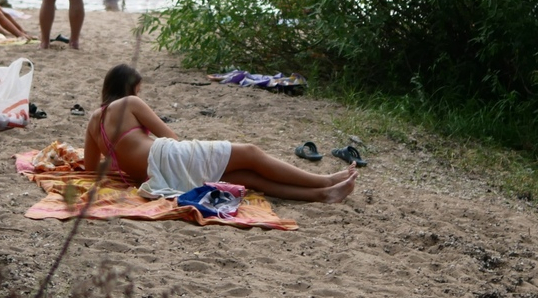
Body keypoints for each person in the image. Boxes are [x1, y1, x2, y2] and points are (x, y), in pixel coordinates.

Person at [83, 64, 357, 203]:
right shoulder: (130, 104)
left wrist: (126, 166)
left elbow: (91, 169)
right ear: (129, 89)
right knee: (251, 152)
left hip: (153, 177)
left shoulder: (93, 123)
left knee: (246, 177)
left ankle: (323, 195)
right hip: (167, 159)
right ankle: (324, 180)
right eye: (138, 90)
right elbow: (170, 137)